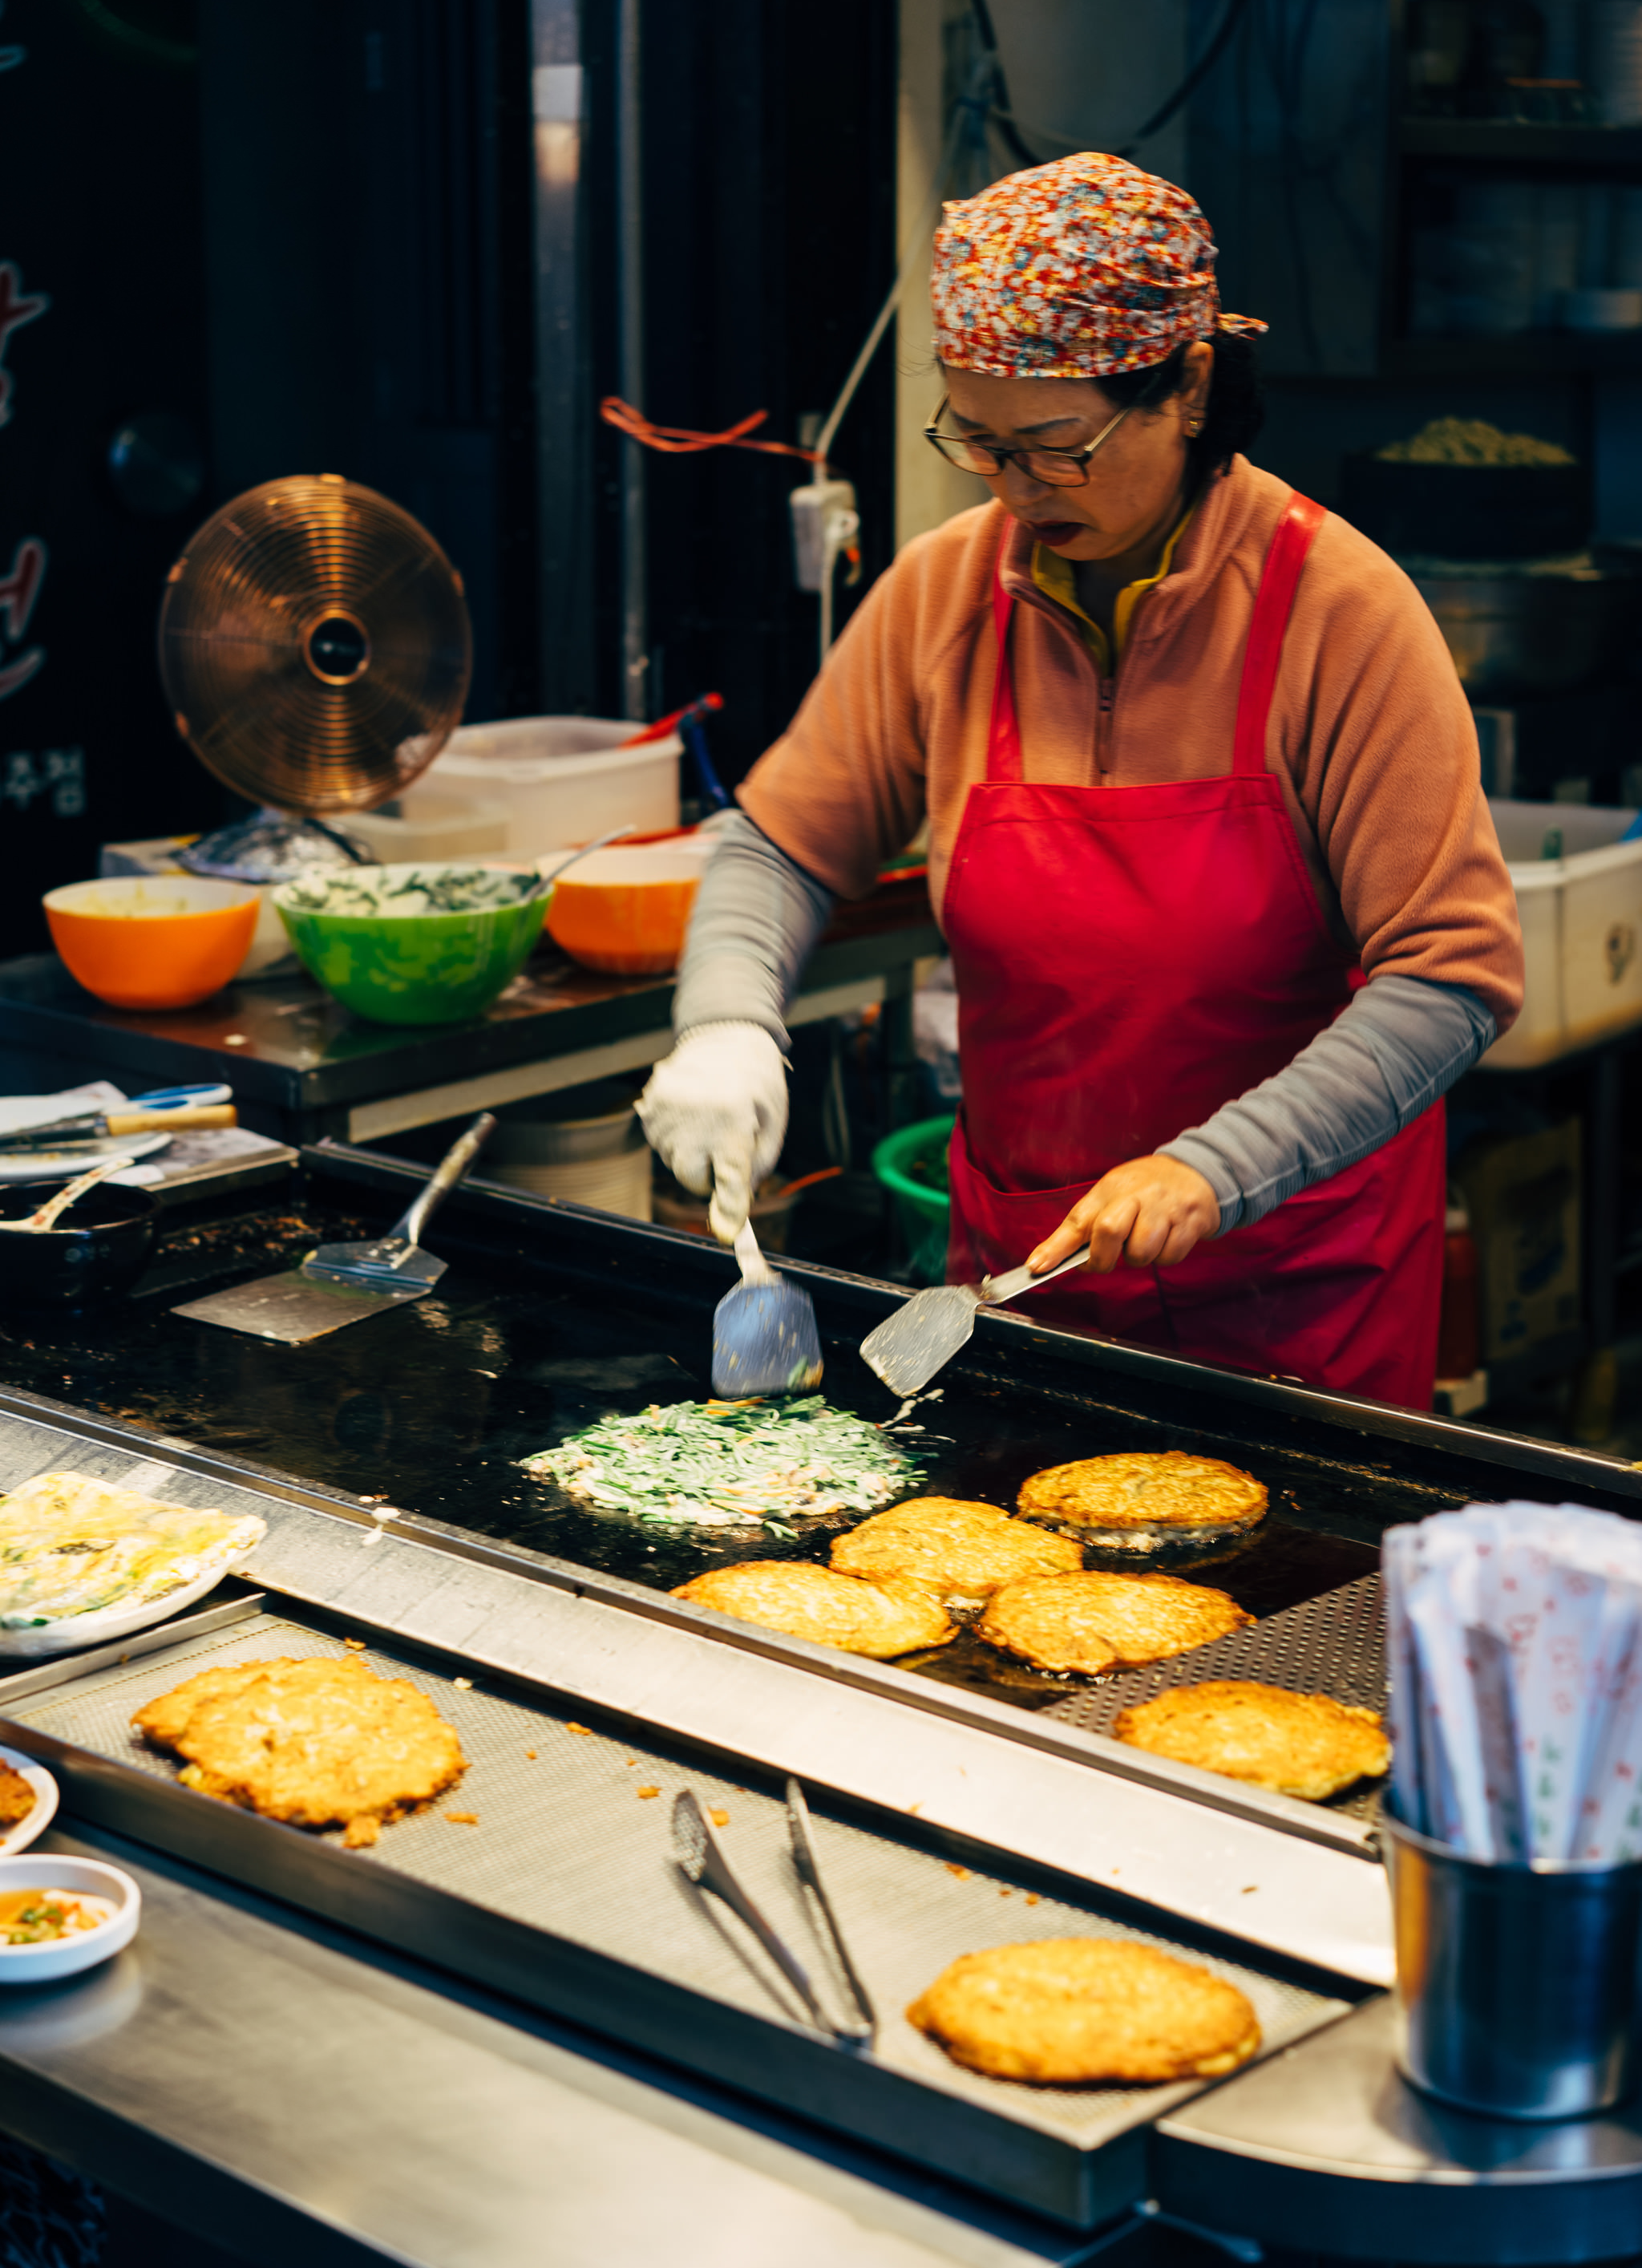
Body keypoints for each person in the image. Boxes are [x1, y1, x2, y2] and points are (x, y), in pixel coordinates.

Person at [639, 153, 1523, 1408]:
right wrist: (727, 1021)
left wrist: (1218, 1167)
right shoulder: (950, 590)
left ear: (1191, 387)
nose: (1013, 490)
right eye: (978, 443)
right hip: (1017, 1284)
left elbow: (1453, 975)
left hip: (1291, 1294)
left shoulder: (1341, 612)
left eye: (1058, 446)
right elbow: (780, 845)